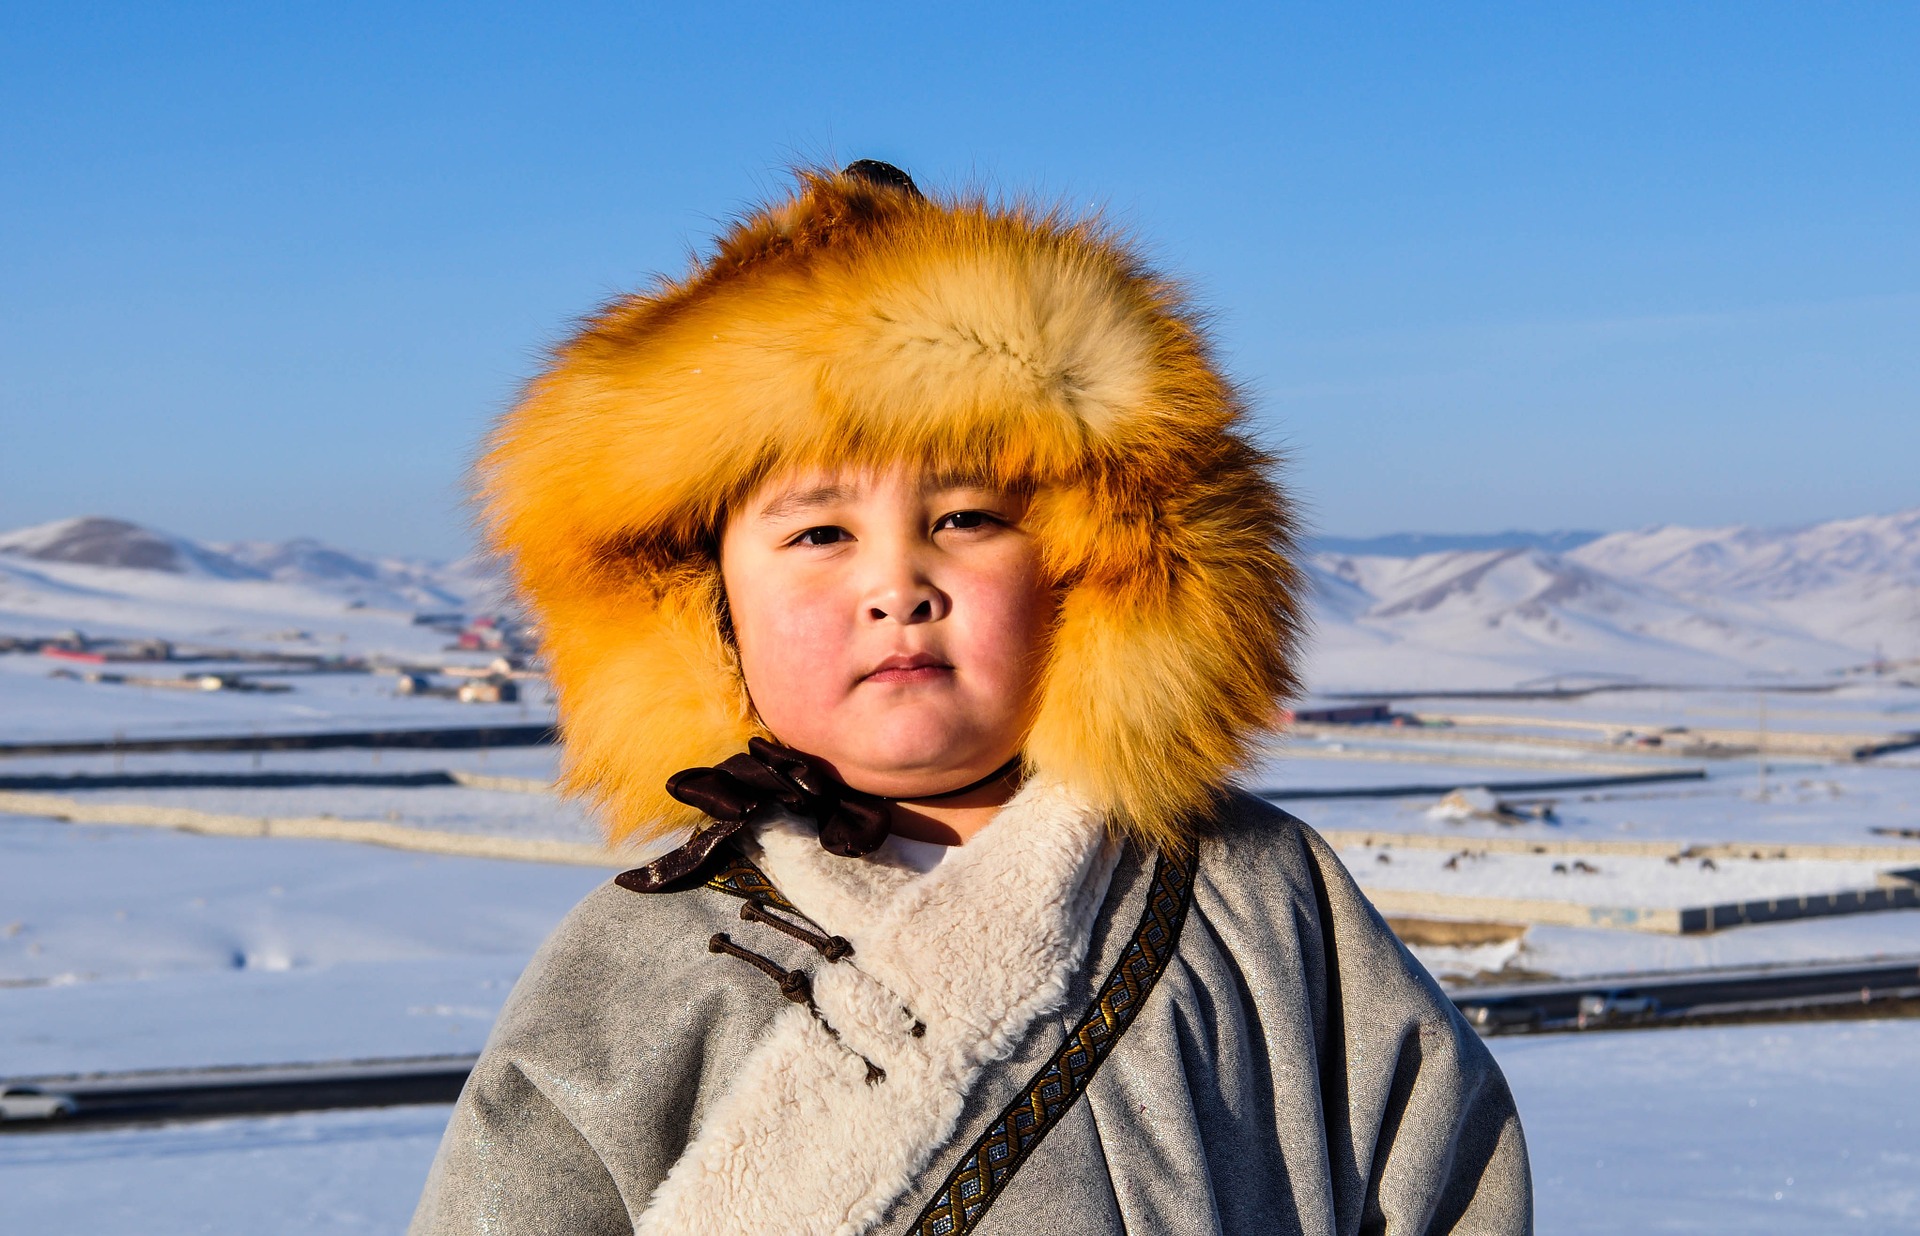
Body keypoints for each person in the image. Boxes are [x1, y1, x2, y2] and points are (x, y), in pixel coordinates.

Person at [410, 161, 1531, 1236]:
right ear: (701, 612)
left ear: (1097, 575)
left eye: (966, 520)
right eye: (818, 534)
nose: (898, 586)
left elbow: (1448, 1184)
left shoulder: (1260, 896)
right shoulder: (637, 963)